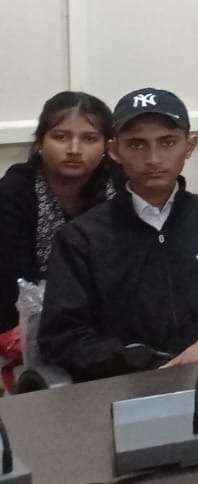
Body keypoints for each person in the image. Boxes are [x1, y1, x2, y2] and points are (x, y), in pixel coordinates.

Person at [37, 88, 198, 381]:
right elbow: (61, 337)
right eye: (137, 144)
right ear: (115, 150)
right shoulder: (82, 237)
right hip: (127, 387)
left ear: (189, 146)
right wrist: (138, 360)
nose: (153, 158)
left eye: (168, 142)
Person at [0, 92, 118, 331]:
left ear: (107, 146)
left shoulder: (121, 188)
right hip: (22, 320)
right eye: (61, 137)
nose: (74, 149)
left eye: (89, 139)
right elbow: (13, 280)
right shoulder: (14, 191)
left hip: (108, 314)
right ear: (40, 142)